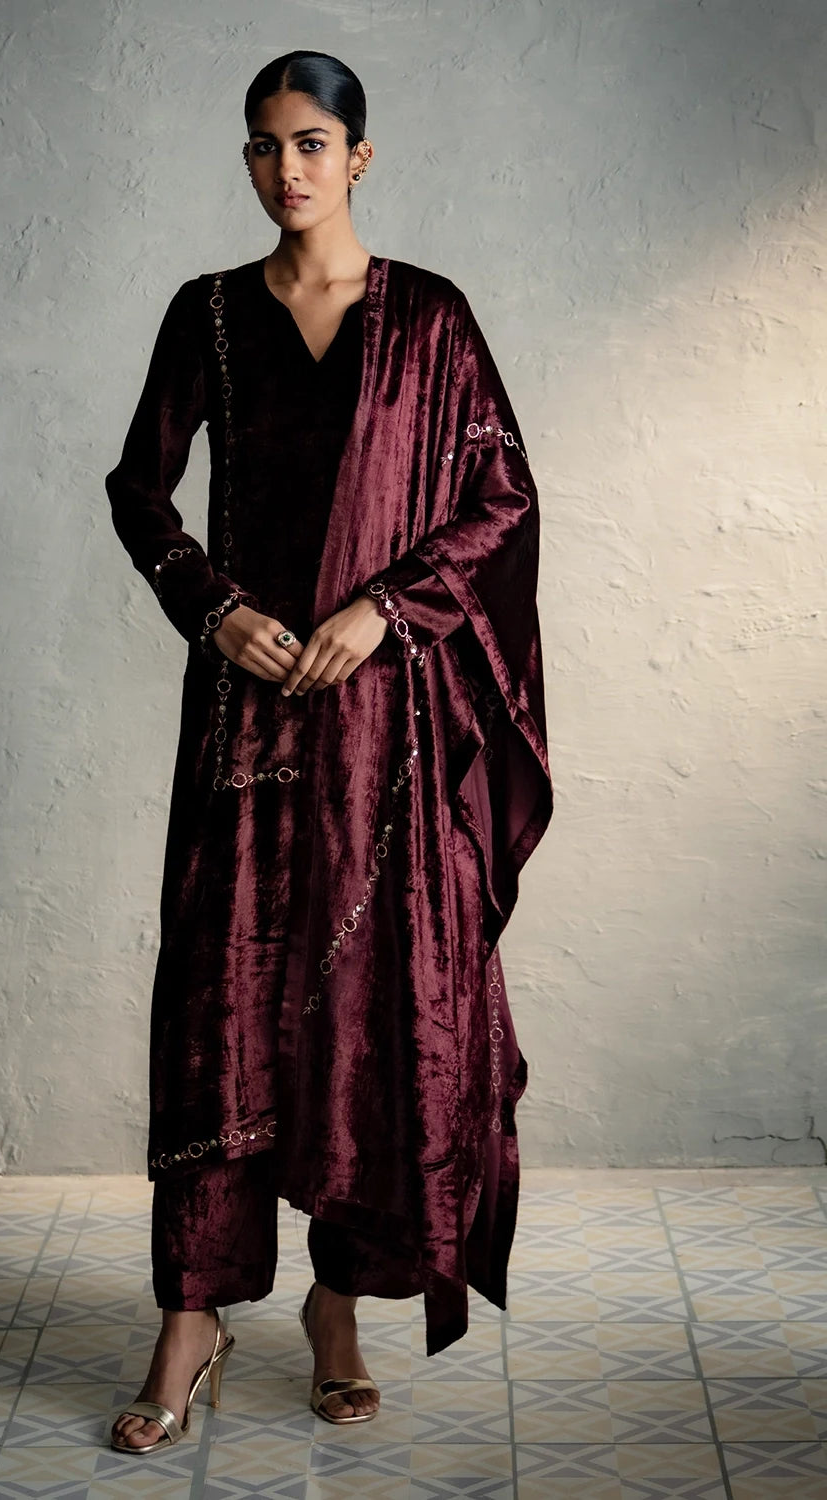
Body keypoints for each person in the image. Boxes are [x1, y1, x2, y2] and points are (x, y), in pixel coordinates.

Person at [104, 49, 552, 1455]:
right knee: (221, 998)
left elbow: (500, 496)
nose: (284, 168)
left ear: (360, 155)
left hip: (381, 726)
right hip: (246, 710)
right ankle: (192, 1314)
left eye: (310, 142)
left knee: (369, 1003)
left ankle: (337, 1304)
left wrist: (384, 612)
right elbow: (138, 488)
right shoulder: (211, 314)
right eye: (262, 145)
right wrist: (214, 609)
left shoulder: (430, 319)